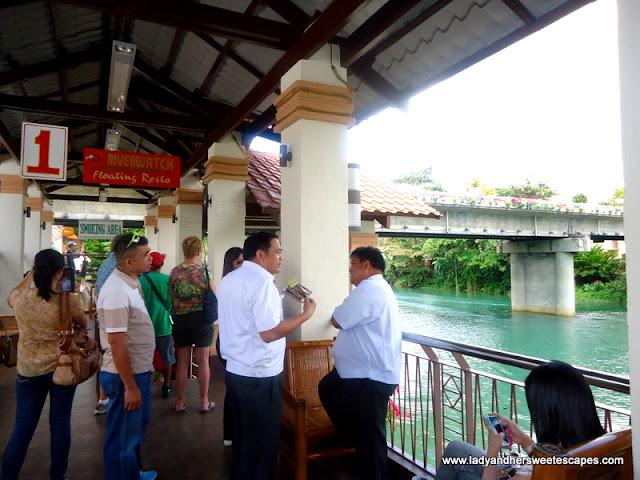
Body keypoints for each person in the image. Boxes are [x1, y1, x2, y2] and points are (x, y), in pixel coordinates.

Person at [217, 231, 316, 480]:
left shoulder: (229, 279)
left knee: (243, 444)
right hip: (259, 377)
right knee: (262, 448)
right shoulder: (262, 284)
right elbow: (269, 333)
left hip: (236, 372)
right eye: (278, 252)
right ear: (261, 254)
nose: (281, 257)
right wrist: (306, 315)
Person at [434, 360, 606, 480]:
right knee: (457, 450)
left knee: (464, 473)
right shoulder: (600, 443)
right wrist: (525, 441)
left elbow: (544, 466)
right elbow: (550, 459)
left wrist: (493, 448)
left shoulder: (537, 473)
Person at [1, 249, 87, 480]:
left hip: (29, 370)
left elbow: (13, 293)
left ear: (36, 270)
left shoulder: (21, 299)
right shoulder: (69, 300)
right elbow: (84, 323)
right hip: (62, 367)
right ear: (61, 271)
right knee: (60, 424)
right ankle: (57, 477)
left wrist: (31, 275)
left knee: (22, 430)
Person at [318, 246, 402, 480]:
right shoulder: (374, 289)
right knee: (328, 387)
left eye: (353, 264)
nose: (349, 269)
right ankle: (352, 440)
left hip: (369, 377)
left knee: (372, 438)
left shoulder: (370, 289)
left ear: (366, 265)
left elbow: (337, 319)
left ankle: (373, 473)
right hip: (358, 374)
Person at [97, 233, 157, 480]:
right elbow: (116, 342)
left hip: (138, 370)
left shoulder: (132, 282)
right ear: (129, 262)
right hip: (125, 376)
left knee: (134, 432)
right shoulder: (116, 291)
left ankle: (133, 472)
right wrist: (131, 386)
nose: (151, 258)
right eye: (145, 255)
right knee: (122, 439)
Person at [168, 236, 215, 413]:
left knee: (182, 361)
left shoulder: (174, 272)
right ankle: (204, 402)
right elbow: (215, 295)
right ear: (198, 251)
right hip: (202, 320)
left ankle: (180, 402)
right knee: (203, 360)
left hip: (180, 319)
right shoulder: (205, 272)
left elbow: (173, 298)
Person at [215, 246, 243, 446]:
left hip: (229, 342)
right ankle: (232, 434)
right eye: (238, 262)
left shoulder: (227, 284)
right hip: (230, 343)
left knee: (234, 390)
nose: (242, 266)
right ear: (230, 264)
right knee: (235, 390)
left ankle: (231, 434)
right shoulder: (230, 285)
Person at [140, 252, 175, 398]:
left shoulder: (140, 280)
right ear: (161, 265)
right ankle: (166, 386)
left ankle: (145, 385)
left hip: (144, 326)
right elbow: (173, 302)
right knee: (167, 356)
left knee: (144, 358)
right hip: (163, 325)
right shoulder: (168, 280)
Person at [93, 249, 118, 415]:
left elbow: (96, 290)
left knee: (108, 355)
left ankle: (104, 399)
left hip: (105, 316)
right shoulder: (119, 267)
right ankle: (109, 399)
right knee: (113, 355)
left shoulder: (106, 265)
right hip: (114, 316)